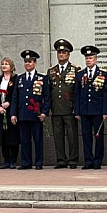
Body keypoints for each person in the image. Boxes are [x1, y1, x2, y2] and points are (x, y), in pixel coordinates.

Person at [11, 50, 50, 170]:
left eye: (30, 61)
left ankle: (38, 162)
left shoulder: (42, 78)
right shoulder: (20, 78)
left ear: (35, 63)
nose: (27, 64)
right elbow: (15, 97)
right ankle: (26, 162)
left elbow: (47, 97)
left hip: (36, 114)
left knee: (37, 140)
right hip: (23, 113)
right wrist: (13, 114)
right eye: (26, 61)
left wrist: (44, 112)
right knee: (25, 140)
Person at [74, 45, 107, 170]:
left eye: (90, 58)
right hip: (84, 110)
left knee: (98, 136)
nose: (88, 60)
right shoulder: (80, 74)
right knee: (86, 137)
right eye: (86, 58)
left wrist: (105, 111)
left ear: (95, 59)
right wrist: (77, 111)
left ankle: (97, 161)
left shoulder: (103, 73)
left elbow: (106, 94)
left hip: (98, 111)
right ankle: (88, 160)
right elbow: (77, 94)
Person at [48, 39, 80, 169]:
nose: (61, 55)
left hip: (70, 108)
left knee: (72, 136)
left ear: (68, 54)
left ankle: (73, 159)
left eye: (64, 52)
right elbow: (49, 91)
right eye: (59, 52)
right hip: (56, 108)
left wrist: (76, 108)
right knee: (58, 136)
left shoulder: (75, 70)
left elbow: (77, 91)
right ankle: (61, 159)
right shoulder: (51, 71)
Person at [0, 57, 20, 169]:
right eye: (3, 64)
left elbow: (17, 94)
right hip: (0, 111)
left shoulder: (16, 79)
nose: (4, 66)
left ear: (11, 67)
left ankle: (13, 160)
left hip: (11, 111)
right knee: (3, 136)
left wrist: (9, 103)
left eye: (6, 64)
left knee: (12, 136)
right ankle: (6, 159)